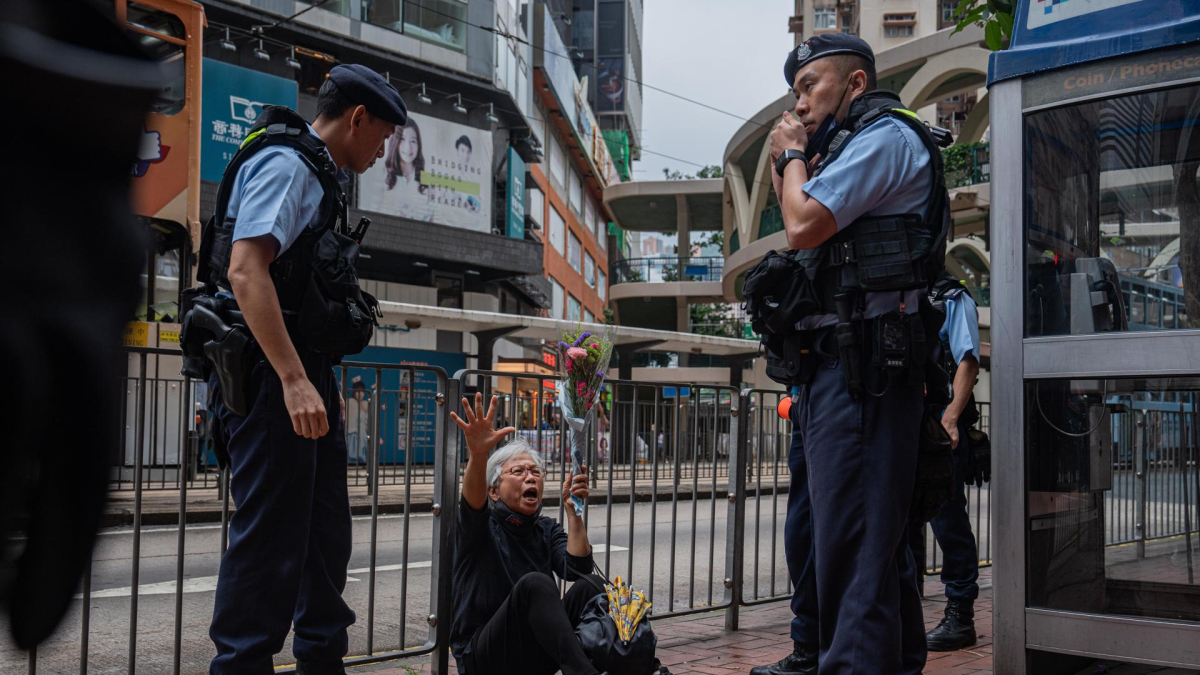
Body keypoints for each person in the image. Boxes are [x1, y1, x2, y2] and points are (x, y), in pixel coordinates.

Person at [203, 64, 405, 675]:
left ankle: (323, 661)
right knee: (268, 544)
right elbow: (245, 270)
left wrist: (310, 379)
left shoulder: (318, 172)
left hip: (300, 372)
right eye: (384, 136)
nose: (383, 151)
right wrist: (293, 379)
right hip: (271, 377)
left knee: (322, 538)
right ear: (358, 118)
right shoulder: (290, 165)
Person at [765, 33, 951, 675]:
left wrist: (791, 157)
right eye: (794, 90)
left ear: (855, 85)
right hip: (836, 367)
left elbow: (802, 225)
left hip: (865, 372)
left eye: (810, 85)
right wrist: (792, 161)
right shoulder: (845, 148)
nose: (799, 101)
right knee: (867, 542)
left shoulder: (886, 138)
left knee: (855, 544)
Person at [448, 393, 608, 675]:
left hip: (534, 651)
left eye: (536, 471)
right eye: (518, 471)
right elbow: (473, 501)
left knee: (592, 585)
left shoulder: (545, 529)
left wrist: (574, 512)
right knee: (534, 584)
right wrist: (478, 454)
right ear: (494, 490)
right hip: (486, 657)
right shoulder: (481, 527)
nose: (530, 477)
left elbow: (577, 569)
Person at [908, 272, 984, 651]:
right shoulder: (899, 292)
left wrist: (951, 419)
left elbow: (969, 361)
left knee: (948, 521)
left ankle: (961, 614)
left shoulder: (952, 297)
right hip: (906, 421)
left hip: (939, 422)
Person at [751, 404, 819, 675]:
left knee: (820, 535)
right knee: (801, 535)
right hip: (807, 406)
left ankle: (814, 647)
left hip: (835, 402)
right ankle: (811, 646)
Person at [383, 118, 434, 222]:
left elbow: (432, 220)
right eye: (402, 139)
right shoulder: (385, 175)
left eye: (413, 141)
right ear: (395, 142)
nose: (408, 147)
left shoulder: (426, 182)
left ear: (419, 145)